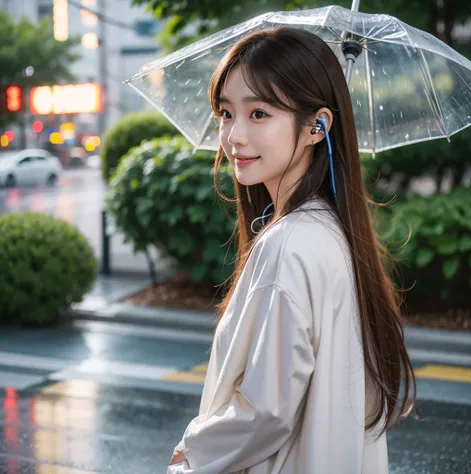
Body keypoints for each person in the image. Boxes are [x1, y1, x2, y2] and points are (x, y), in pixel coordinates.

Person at [167, 26, 416, 474]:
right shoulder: (330, 233)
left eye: (259, 113)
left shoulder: (289, 245)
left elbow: (267, 411)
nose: (235, 136)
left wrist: (193, 452)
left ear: (316, 126)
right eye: (226, 113)